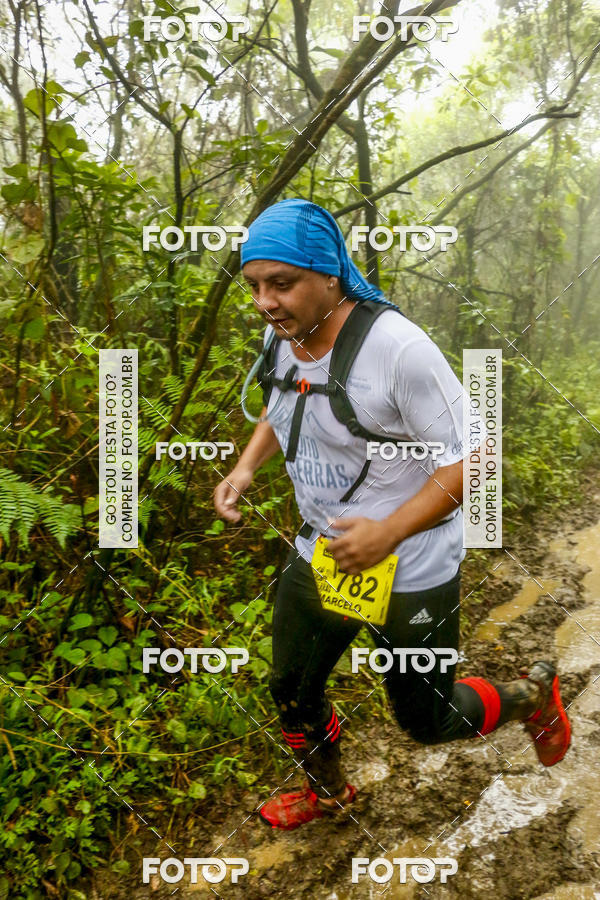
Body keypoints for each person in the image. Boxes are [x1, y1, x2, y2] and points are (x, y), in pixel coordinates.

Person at [212, 198, 571, 831]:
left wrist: (390, 531)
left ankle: (531, 697)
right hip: (324, 551)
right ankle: (328, 792)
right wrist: (245, 468)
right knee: (291, 690)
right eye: (255, 285)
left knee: (427, 721)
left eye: (282, 283)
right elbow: (282, 403)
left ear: (330, 274)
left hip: (413, 561)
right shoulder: (282, 336)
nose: (265, 301)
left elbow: (479, 456)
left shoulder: (398, 350)